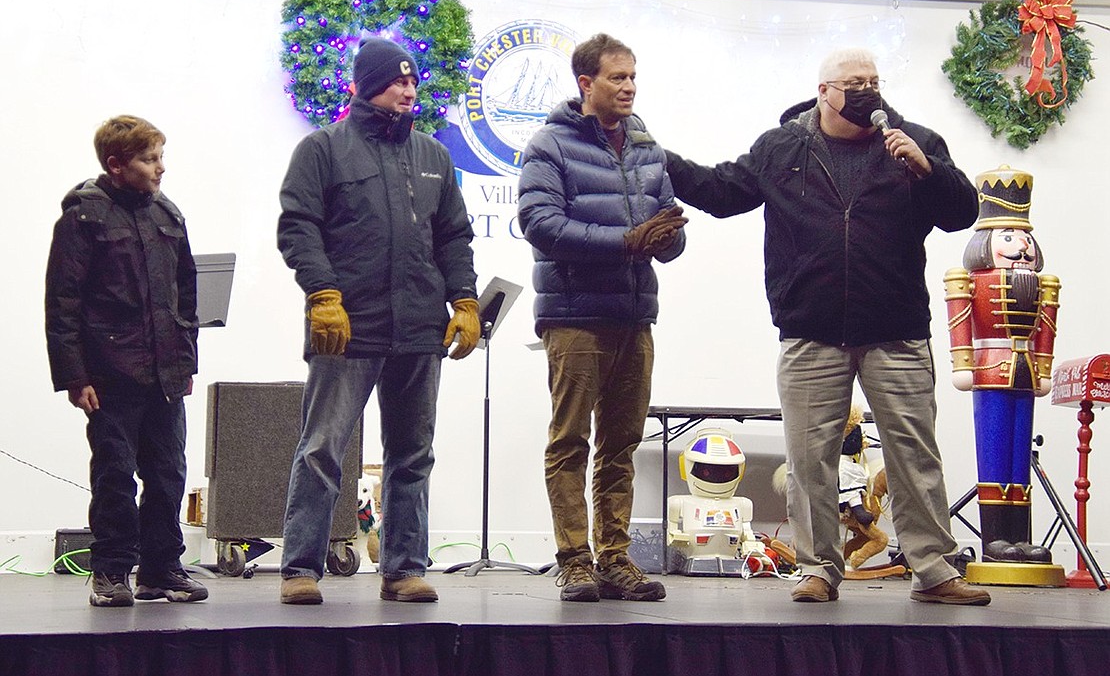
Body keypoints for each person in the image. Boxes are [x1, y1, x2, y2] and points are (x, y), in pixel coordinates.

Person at [664, 47, 991, 606]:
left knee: (914, 454)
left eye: (874, 81)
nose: (867, 91)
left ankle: (933, 568)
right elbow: (721, 193)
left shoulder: (915, 141)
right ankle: (817, 568)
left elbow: (963, 212)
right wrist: (658, 157)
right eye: (852, 83)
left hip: (897, 327)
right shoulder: (782, 148)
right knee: (809, 459)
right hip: (810, 327)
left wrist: (926, 169)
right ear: (822, 91)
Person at [277, 36, 479, 605]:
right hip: (347, 327)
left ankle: (404, 569)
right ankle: (300, 569)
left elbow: (454, 236)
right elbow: (298, 226)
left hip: (419, 328)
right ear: (367, 86)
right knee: (322, 450)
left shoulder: (434, 156)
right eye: (398, 81)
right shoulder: (321, 150)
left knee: (413, 455)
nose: (410, 91)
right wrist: (322, 293)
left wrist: (464, 301)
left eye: (414, 82)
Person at [518, 33, 688, 603]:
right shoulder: (549, 145)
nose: (630, 86)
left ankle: (614, 558)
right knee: (569, 441)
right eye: (618, 77)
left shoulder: (646, 146)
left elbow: (665, 228)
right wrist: (626, 241)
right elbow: (540, 224)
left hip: (635, 316)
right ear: (585, 84)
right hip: (574, 316)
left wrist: (666, 239)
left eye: (633, 76)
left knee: (621, 443)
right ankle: (574, 560)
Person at [45, 115, 208, 607]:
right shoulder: (83, 217)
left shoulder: (168, 215)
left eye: (160, 156)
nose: (162, 168)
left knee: (168, 474)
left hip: (165, 373)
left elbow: (187, 298)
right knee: (114, 473)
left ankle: (161, 570)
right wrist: (74, 376)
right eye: (149, 159)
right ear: (116, 165)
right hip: (110, 373)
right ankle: (111, 571)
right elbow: (62, 302)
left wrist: (186, 365)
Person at [944, 167, 1060, 567]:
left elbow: (1045, 327)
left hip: (1025, 373)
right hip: (990, 369)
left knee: (1018, 454)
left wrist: (1043, 369)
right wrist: (962, 364)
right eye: (1009, 237)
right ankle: (995, 536)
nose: (1021, 245)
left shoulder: (1043, 283)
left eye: (1024, 237)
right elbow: (960, 321)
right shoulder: (969, 279)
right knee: (993, 453)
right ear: (987, 241)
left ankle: (1020, 537)